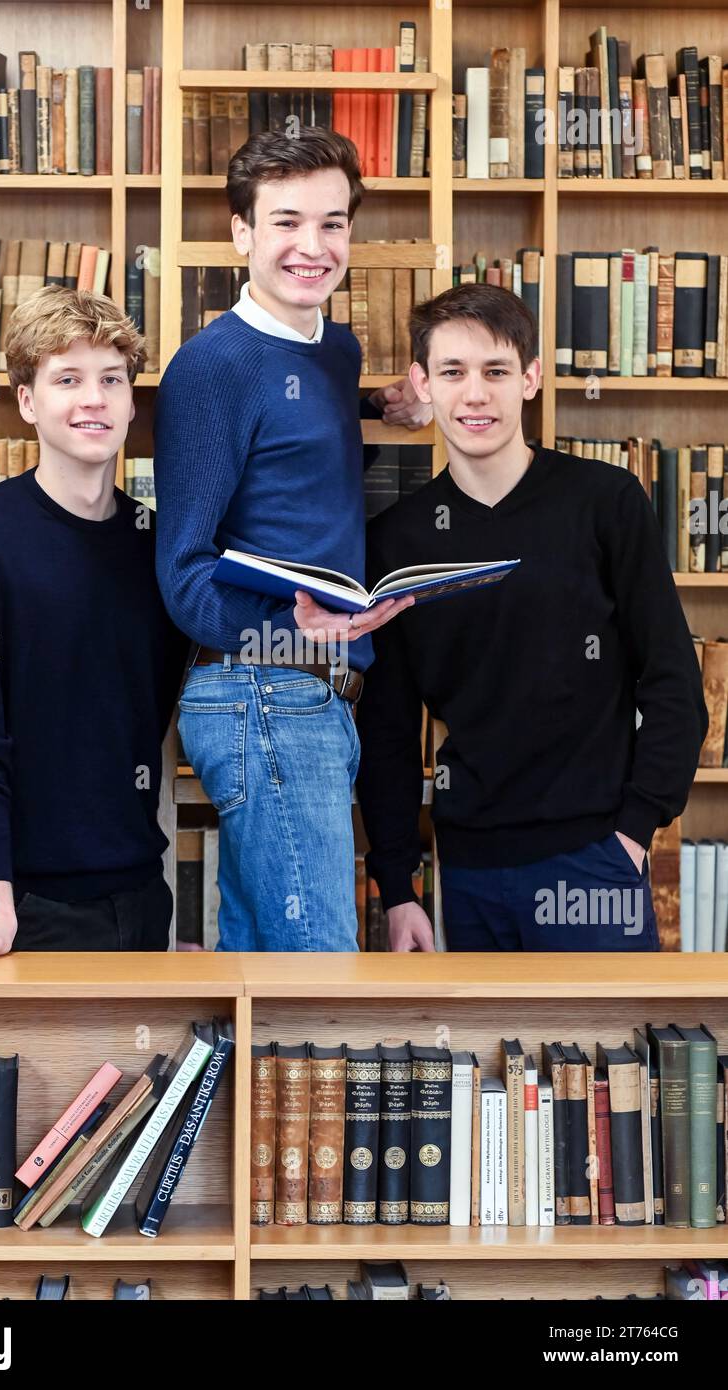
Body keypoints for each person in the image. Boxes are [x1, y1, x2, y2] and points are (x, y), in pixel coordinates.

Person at [355, 282, 708, 952]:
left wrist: (635, 833)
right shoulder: (398, 541)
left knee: (612, 1060)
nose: (476, 394)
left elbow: (672, 683)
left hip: (596, 860)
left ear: (531, 377)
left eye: (496, 371)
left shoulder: (605, 502)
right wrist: (399, 888)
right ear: (423, 384)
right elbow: (389, 730)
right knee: (488, 1061)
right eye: (453, 373)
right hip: (467, 871)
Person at [153, 127, 426, 952]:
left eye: (333, 223)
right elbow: (185, 575)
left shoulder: (335, 349)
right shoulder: (212, 367)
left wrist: (383, 407)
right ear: (241, 232)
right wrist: (285, 627)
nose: (313, 247)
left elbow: (298, 424)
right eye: (286, 222)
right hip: (259, 691)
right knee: (319, 973)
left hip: (319, 697)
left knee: (262, 978)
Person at [0, 285, 188, 962]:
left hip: (138, 897)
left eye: (111, 380)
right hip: (11, 906)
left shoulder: (158, 547)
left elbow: (152, 728)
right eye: (67, 379)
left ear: (132, 401)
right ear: (26, 401)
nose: (93, 399)